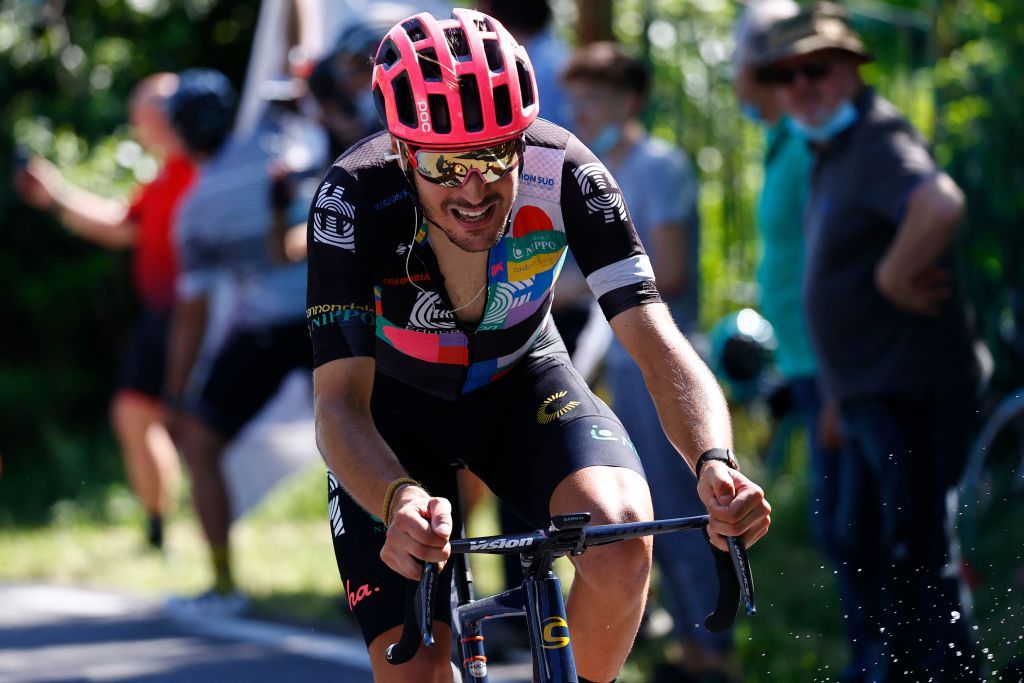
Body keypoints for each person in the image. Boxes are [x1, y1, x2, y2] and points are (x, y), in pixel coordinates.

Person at [309, 9, 771, 683]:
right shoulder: (353, 198)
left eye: (496, 156)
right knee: (419, 670)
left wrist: (714, 461)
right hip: (393, 415)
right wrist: (396, 501)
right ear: (405, 151)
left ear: (524, 141)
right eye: (446, 164)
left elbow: (659, 344)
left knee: (619, 538)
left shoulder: (569, 172)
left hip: (523, 381)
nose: (473, 187)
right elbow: (339, 405)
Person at [761, 4, 983, 681]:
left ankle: (947, 671)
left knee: (913, 548)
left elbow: (939, 203)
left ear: (854, 69)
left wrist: (893, 274)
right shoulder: (832, 149)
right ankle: (896, 665)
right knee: (862, 540)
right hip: (865, 393)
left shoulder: (880, 139)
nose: (800, 85)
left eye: (816, 69)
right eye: (784, 74)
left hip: (910, 388)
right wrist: (835, 389)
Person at [561, 42, 732, 682]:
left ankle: (712, 655)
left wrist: (583, 287)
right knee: (643, 511)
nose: (580, 110)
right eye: (575, 97)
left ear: (629, 101)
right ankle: (686, 647)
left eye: (595, 97)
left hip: (661, 363)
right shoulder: (591, 166)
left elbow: (673, 268)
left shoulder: (659, 165)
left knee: (681, 509)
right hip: (618, 364)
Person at [162, 68, 325, 615]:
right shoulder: (277, 138)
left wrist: (175, 395)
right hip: (329, 317)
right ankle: (387, 583)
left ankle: (225, 584)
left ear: (179, 134)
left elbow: (192, 313)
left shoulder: (195, 210)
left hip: (264, 331)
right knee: (360, 441)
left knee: (201, 444)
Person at [14, 73, 190, 550]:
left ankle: (209, 547)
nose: (134, 121)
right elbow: (121, 226)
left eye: (141, 110)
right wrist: (53, 196)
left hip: (196, 316)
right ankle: (159, 529)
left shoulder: (202, 170)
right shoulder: (164, 178)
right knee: (134, 414)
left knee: (188, 427)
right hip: (160, 316)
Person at [731, 0, 852, 671]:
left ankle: (886, 659)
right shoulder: (785, 142)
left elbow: (837, 268)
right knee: (842, 529)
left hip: (833, 370)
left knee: (856, 530)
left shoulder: (811, 148)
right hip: (806, 367)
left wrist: (836, 383)